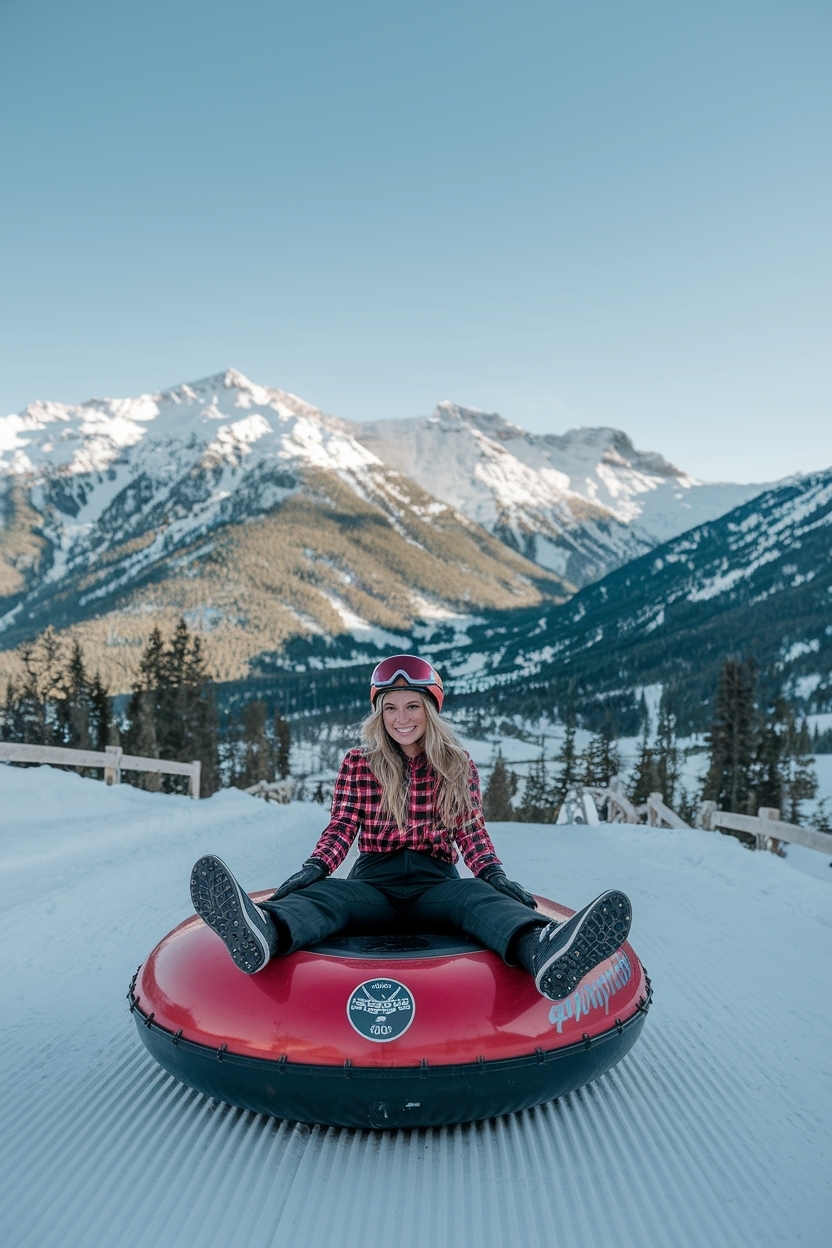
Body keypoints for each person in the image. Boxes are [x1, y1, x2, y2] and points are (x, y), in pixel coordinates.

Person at [190, 655, 631, 1001]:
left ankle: (544, 950)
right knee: (325, 899)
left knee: (479, 899)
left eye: (412, 706)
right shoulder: (359, 763)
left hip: (435, 884)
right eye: (391, 708)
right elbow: (342, 826)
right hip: (374, 884)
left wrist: (494, 875)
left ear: (431, 709)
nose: (402, 718)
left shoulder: (456, 765)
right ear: (379, 713)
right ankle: (262, 932)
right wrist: (314, 869)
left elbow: (470, 831)